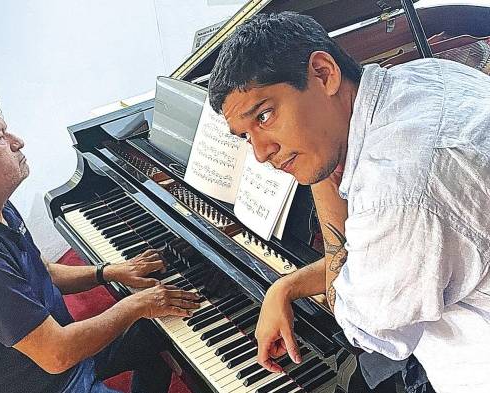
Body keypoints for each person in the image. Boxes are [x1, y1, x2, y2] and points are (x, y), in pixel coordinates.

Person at [208, 11, 490, 393]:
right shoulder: (426, 74)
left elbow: (367, 330)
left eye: (266, 114)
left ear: (324, 73)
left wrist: (318, 172)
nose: (261, 153)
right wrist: (285, 286)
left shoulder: (396, 193)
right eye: (246, 135)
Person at [0, 94, 201, 393]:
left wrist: (108, 272)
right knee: (142, 320)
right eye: (0, 137)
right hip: (49, 378)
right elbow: (57, 355)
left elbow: (41, 271)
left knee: (153, 337)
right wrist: (138, 304)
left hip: (55, 359)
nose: (17, 142)